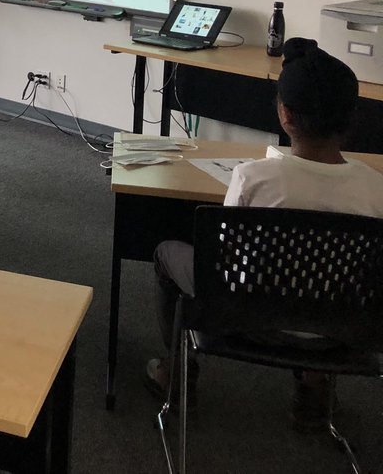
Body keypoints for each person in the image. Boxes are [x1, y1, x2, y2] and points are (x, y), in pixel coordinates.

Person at [146, 38, 383, 432]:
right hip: (340, 334)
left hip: (248, 321)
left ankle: (177, 374)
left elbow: (224, 259)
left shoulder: (252, 178)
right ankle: (314, 391)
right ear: (352, 116)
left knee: (166, 254)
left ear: (285, 114)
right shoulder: (377, 192)